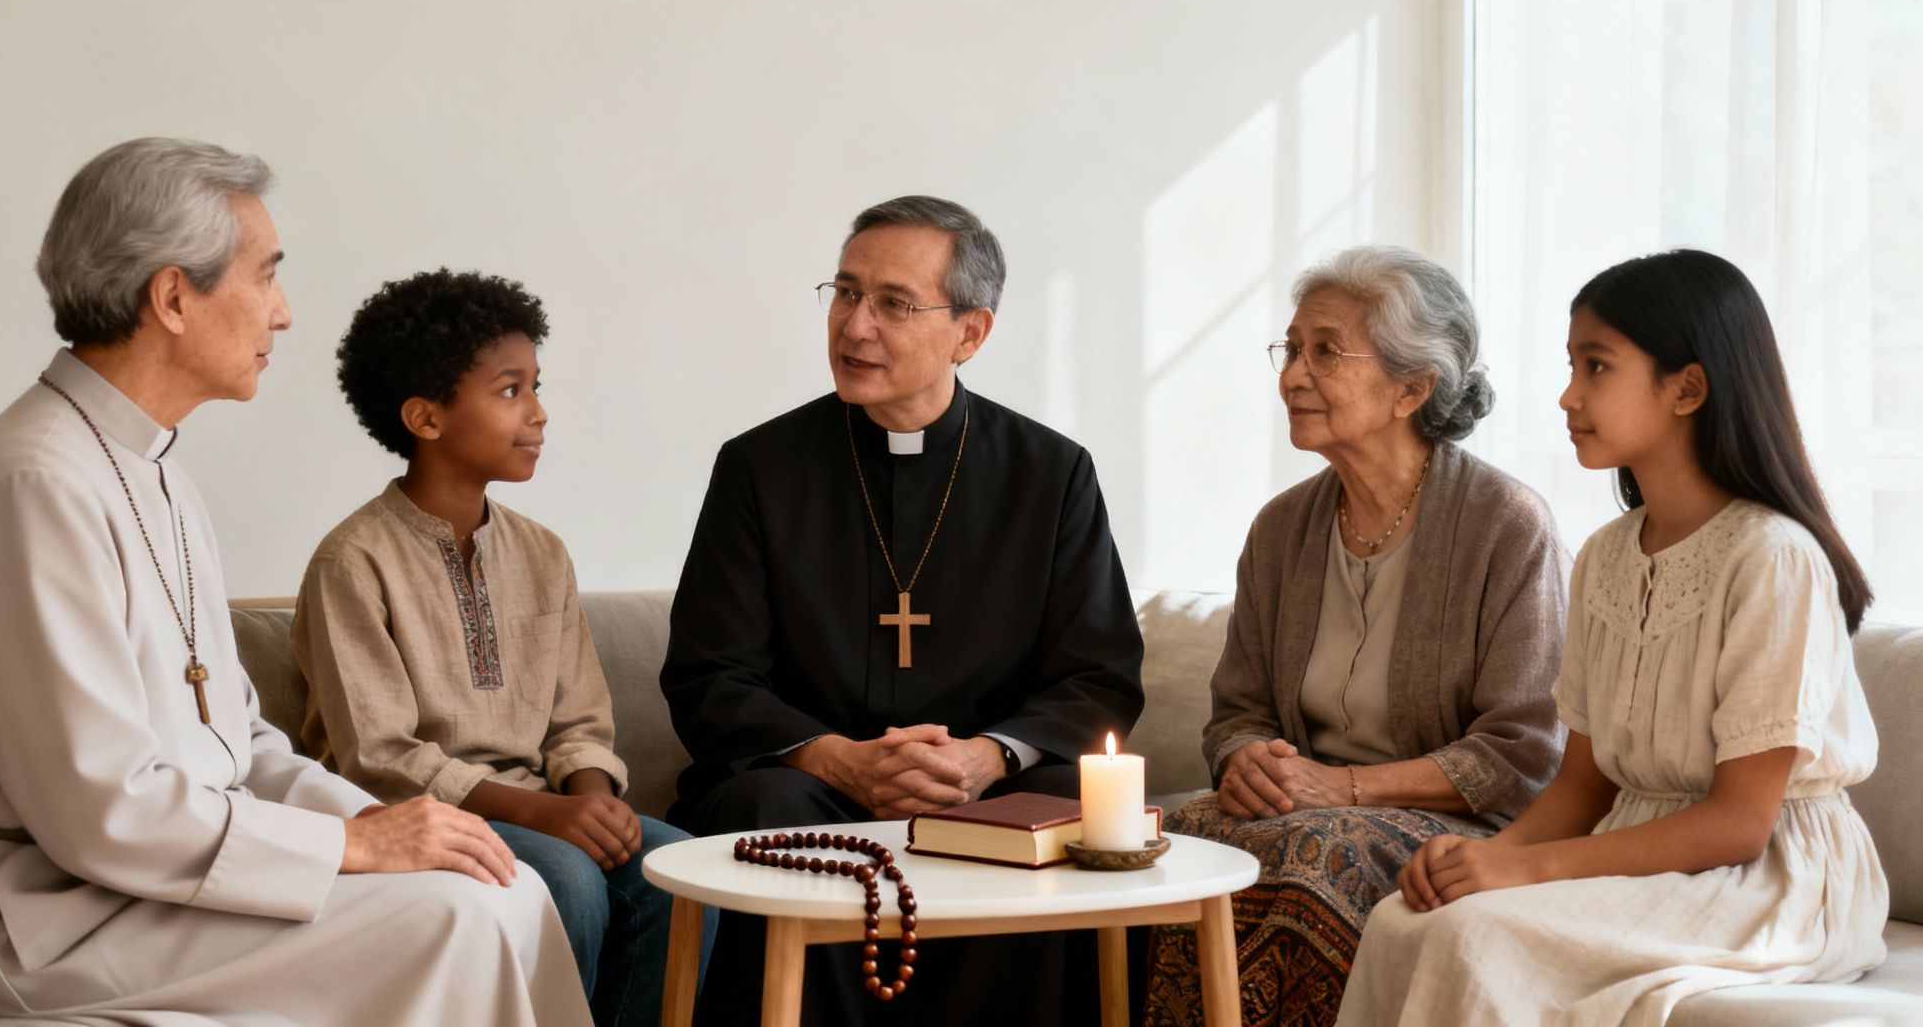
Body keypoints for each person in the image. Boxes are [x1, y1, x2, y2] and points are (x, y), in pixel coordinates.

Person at [0, 139, 588, 1023]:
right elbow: (103, 807)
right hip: (23, 910)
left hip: (129, 877)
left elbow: (238, 742)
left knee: (506, 888)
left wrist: (384, 827)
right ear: (173, 297)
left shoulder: (153, 470)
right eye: (266, 277)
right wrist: (345, 846)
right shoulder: (33, 486)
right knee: (455, 918)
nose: (284, 314)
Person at [1340, 249, 1888, 1026]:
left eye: (1596, 366)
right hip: (1637, 850)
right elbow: (1582, 786)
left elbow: (1739, 824)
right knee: (1404, 917)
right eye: (1571, 365)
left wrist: (1527, 871)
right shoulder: (1604, 555)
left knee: (1479, 933)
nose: (1568, 395)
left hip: (1772, 879)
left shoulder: (1773, 557)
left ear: (1688, 388)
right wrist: (1491, 860)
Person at [660, 195, 1145, 1026]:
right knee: (758, 810)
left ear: (971, 332)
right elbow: (710, 673)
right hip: (811, 787)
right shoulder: (759, 468)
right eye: (845, 294)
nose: (854, 327)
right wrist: (838, 760)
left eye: (892, 303)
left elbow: (1098, 673)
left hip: (985, 792)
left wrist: (987, 760)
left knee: (1078, 816)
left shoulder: (1050, 472)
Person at [1143, 246, 1568, 1026]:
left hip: (1460, 827)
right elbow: (1237, 709)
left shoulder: (1507, 526)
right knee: (1161, 839)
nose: (1293, 375)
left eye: (1326, 351)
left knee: (1314, 856)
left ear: (1412, 387)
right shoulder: (1281, 529)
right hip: (1301, 812)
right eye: (1292, 349)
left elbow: (1522, 753)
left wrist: (1337, 789)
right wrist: (1248, 764)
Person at [292, 268, 712, 1027]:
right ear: (425, 418)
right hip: (416, 819)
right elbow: (379, 756)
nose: (540, 413)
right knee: (568, 880)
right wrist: (546, 818)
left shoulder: (543, 553)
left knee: (678, 868)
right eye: (511, 390)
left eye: (536, 386)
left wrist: (589, 797)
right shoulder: (352, 562)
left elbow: (579, 719)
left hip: (542, 806)